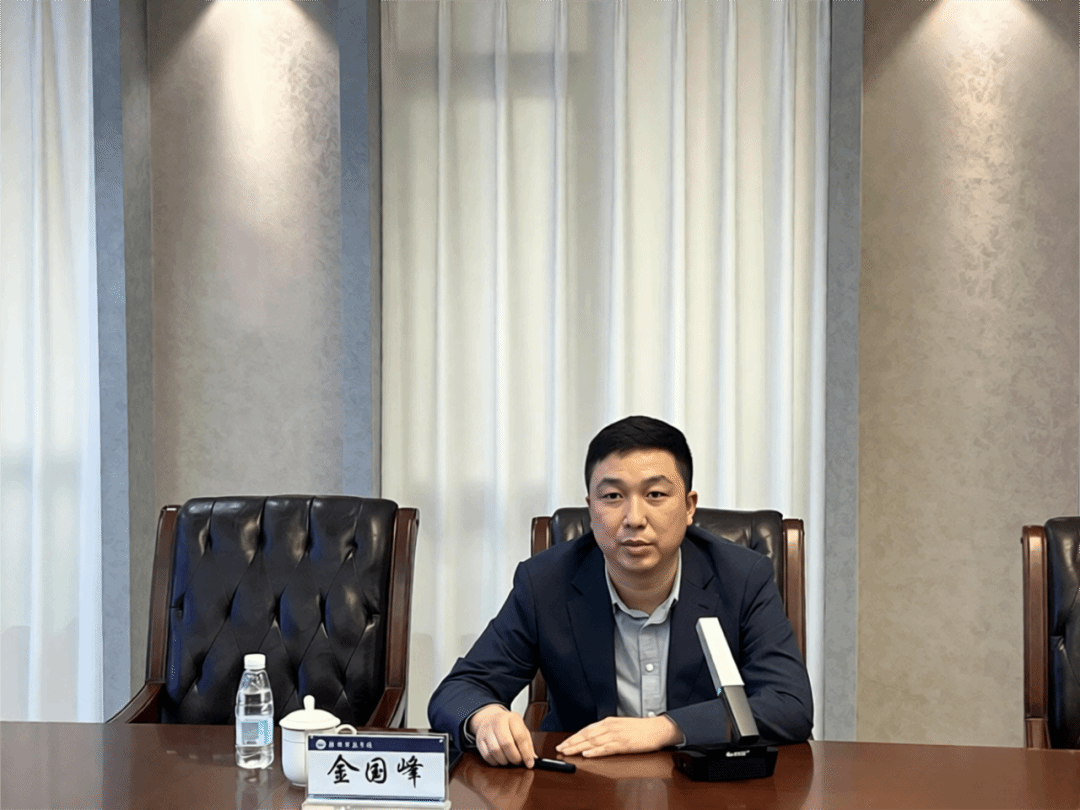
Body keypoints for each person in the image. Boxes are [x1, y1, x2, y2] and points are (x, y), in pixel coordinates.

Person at [428, 415, 813, 767]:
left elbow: (789, 704)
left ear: (689, 506)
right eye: (613, 496)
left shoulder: (741, 577)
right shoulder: (545, 582)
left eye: (655, 495)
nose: (634, 518)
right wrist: (486, 717)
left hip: (706, 786)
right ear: (590, 507)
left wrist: (665, 728)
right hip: (582, 784)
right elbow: (459, 690)